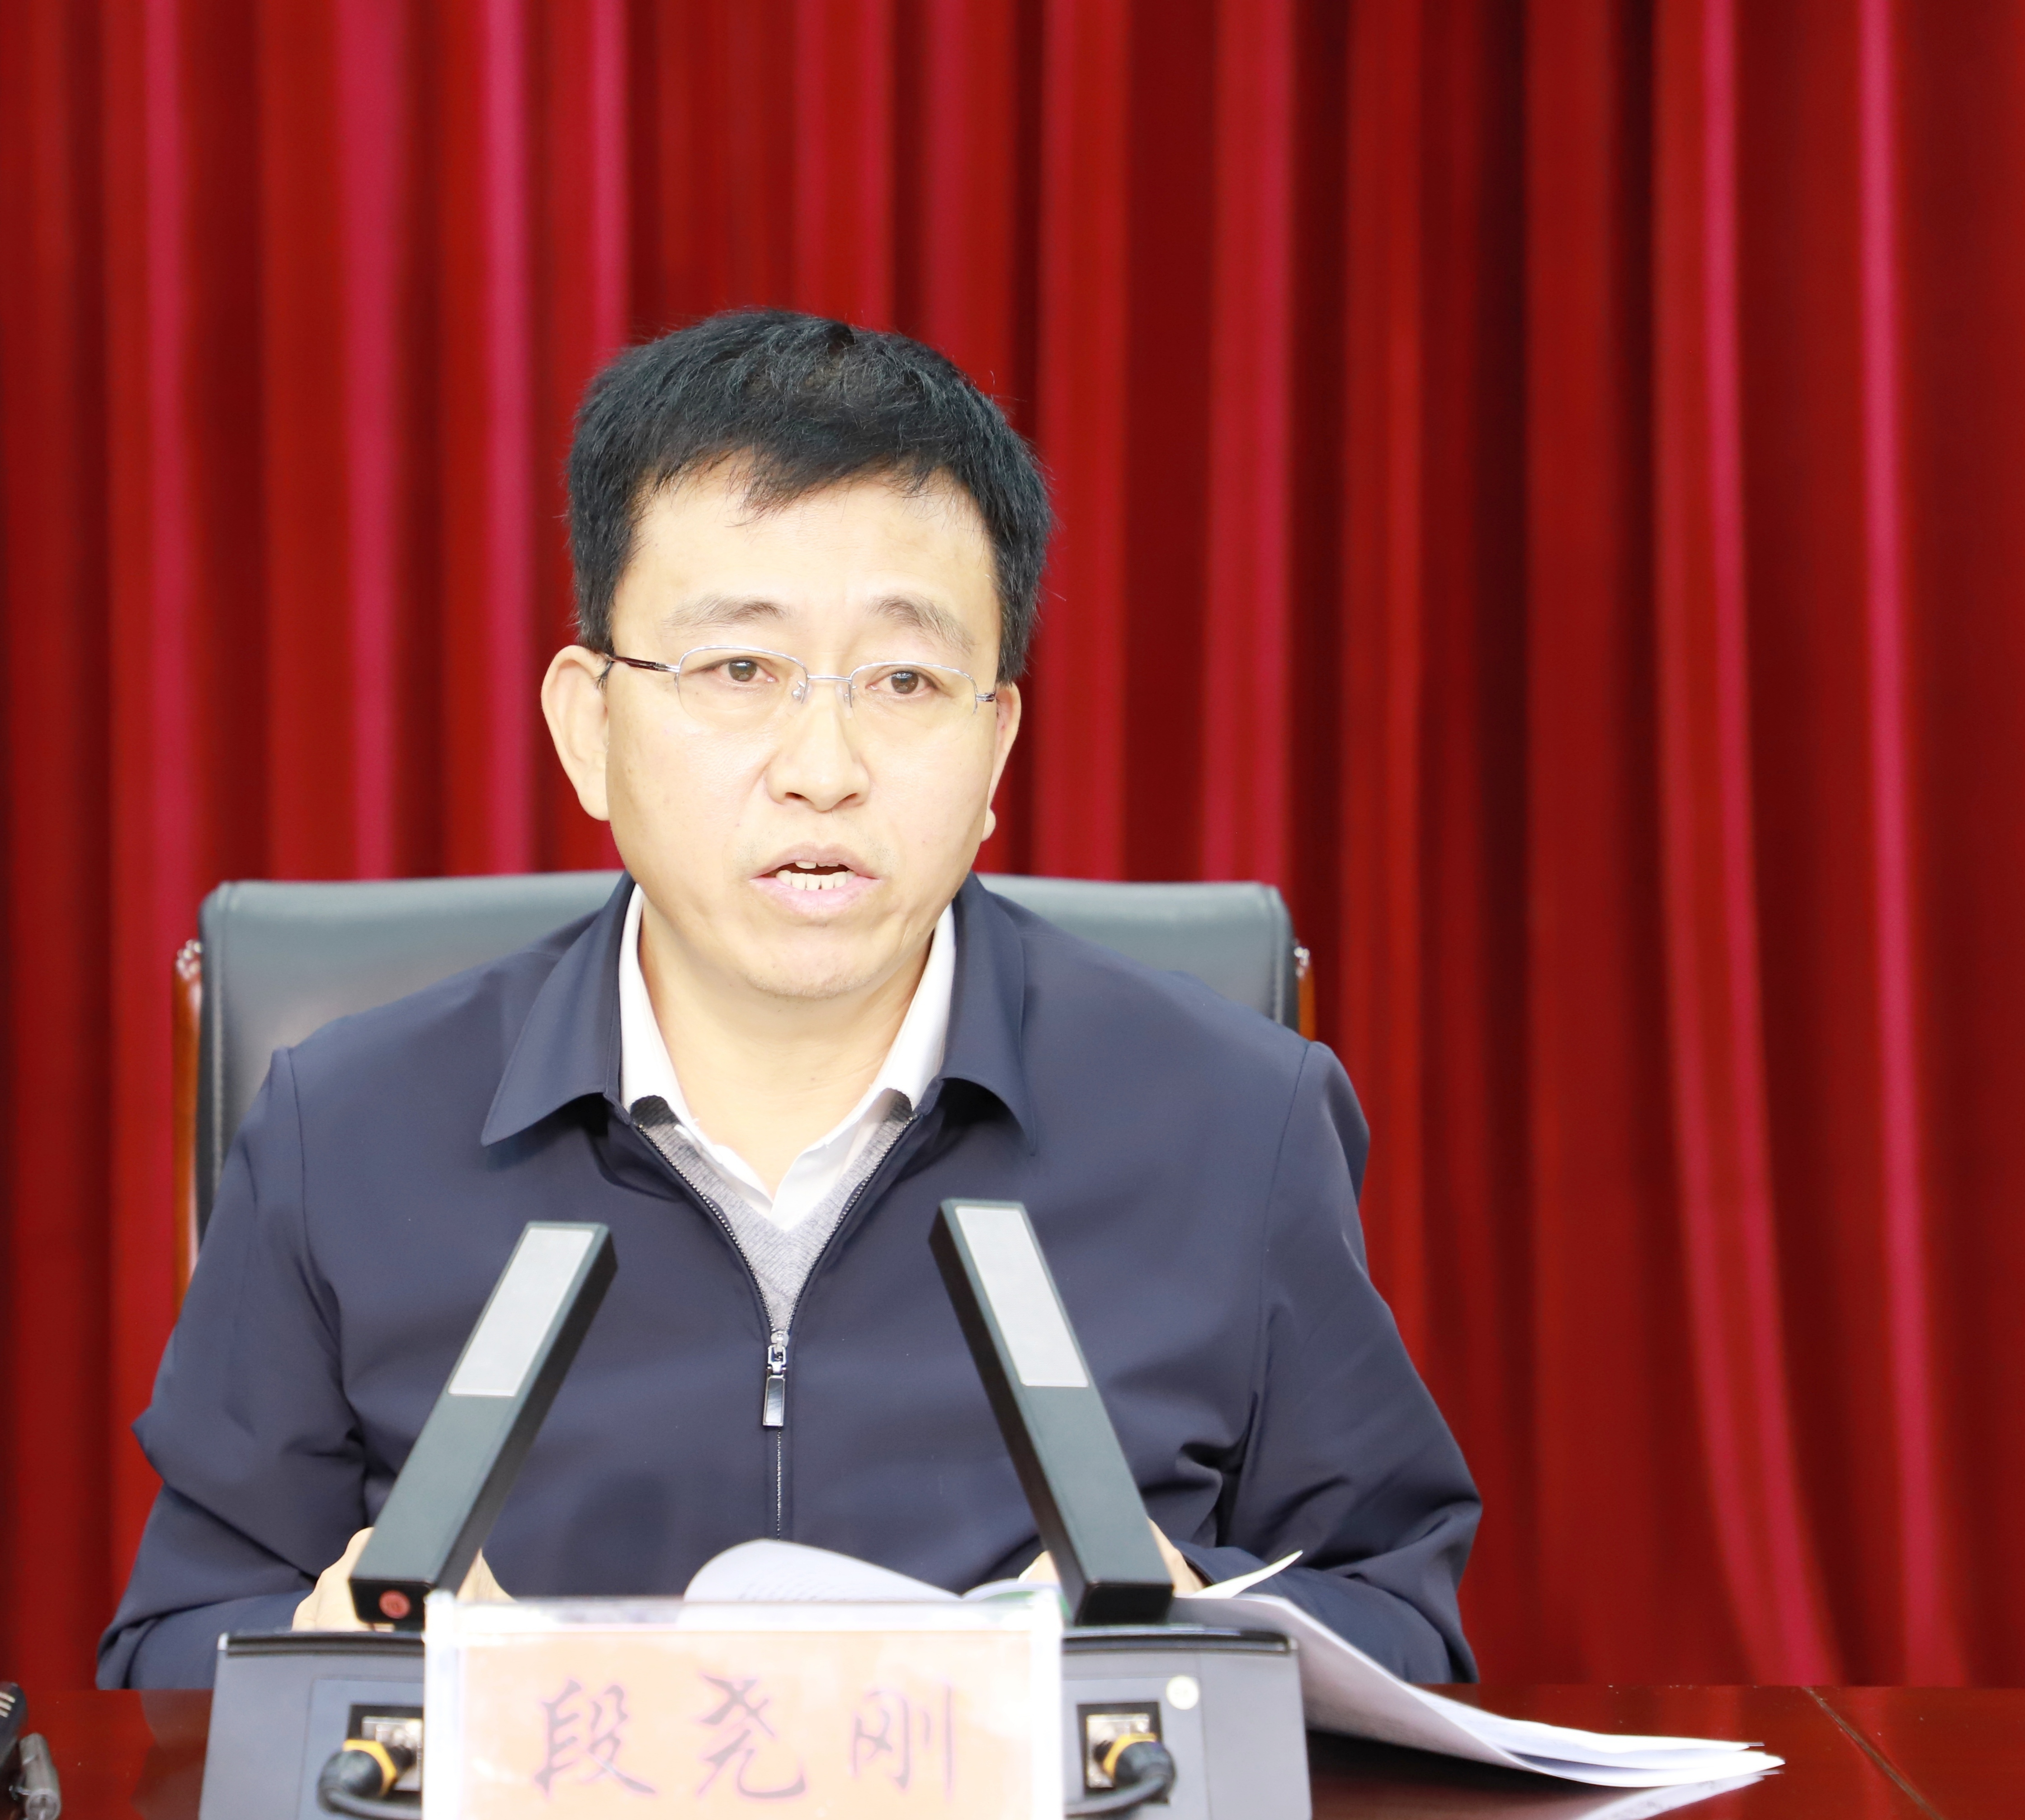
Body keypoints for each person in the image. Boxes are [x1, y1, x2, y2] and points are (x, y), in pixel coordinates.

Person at [99, 309, 1479, 1688]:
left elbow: (1403, 1619)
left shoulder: (1237, 1121)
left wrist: (1199, 1642)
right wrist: (344, 1667)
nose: (824, 767)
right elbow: (168, 1656)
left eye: (906, 679)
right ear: (590, 728)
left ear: (997, 744)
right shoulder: (346, 1131)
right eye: (740, 669)